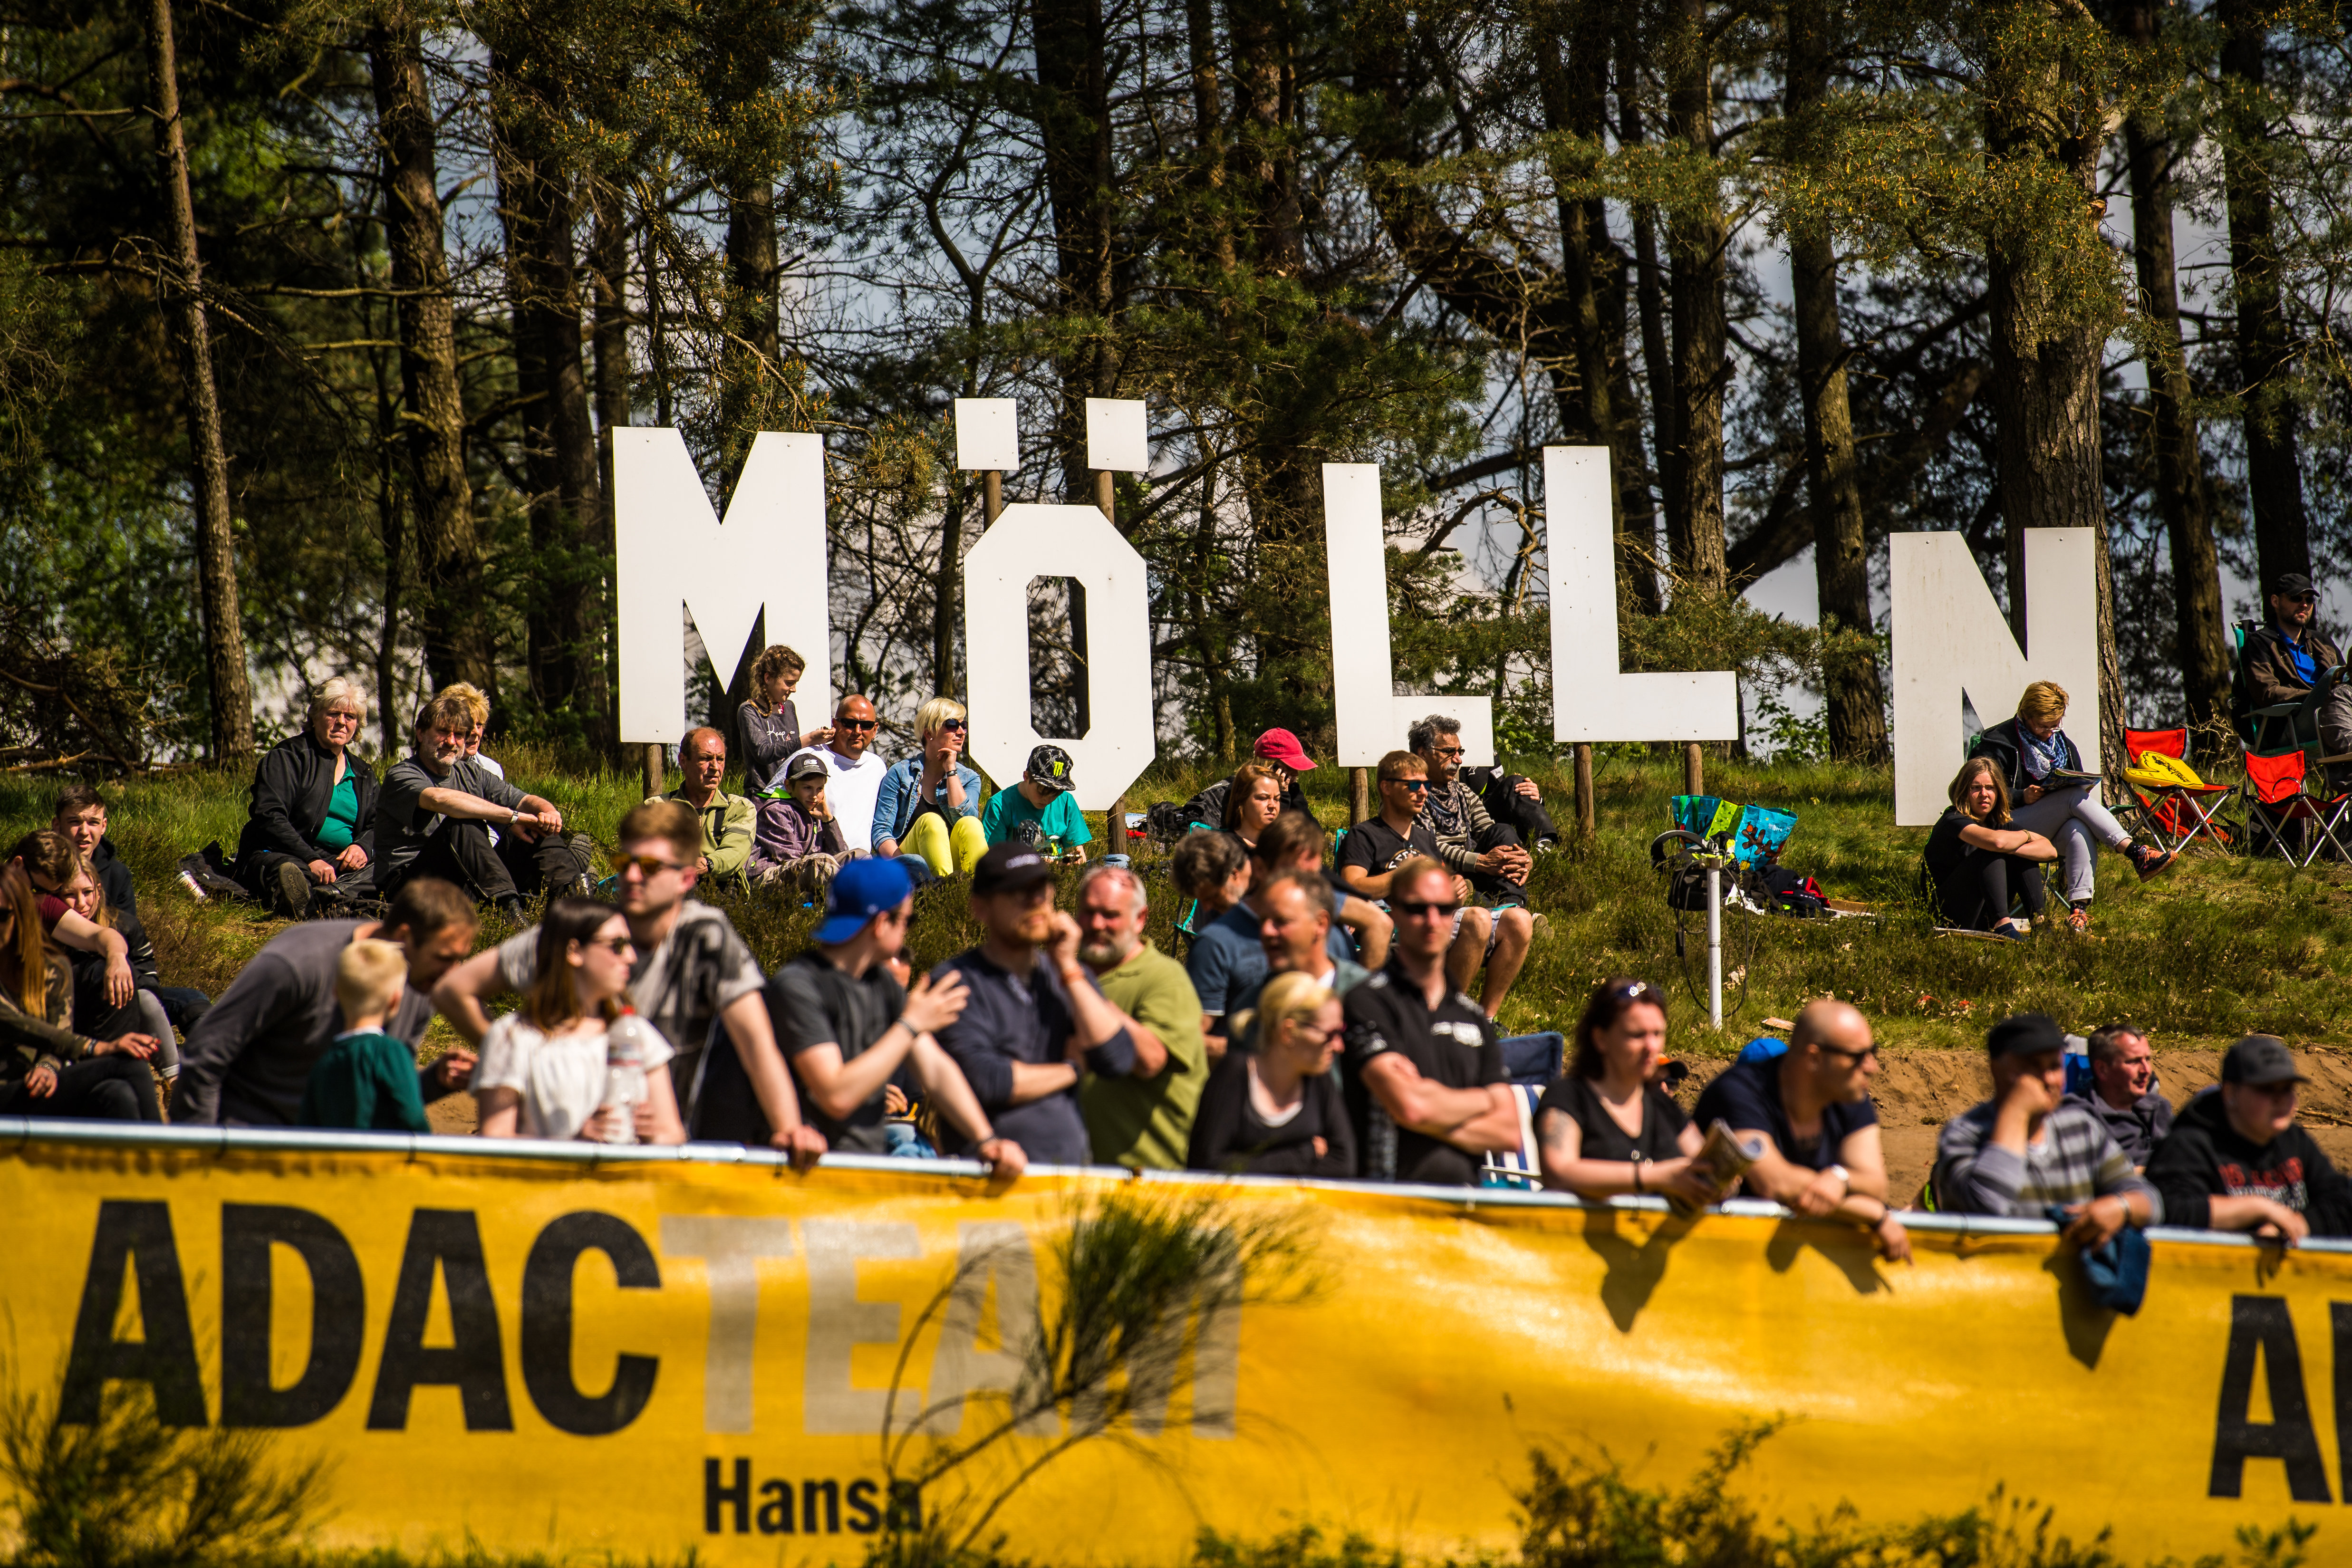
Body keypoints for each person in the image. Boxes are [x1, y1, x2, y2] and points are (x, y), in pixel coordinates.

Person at [433, 801, 828, 1163]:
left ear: (686, 878)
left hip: (664, 1149)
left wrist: (789, 1129)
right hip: (556, 1147)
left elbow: (757, 1041)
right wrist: (515, 1063)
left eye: (651, 866)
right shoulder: (583, 930)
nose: (633, 876)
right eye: (625, 862)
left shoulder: (705, 935)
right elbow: (454, 990)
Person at [762, 857, 1024, 1170]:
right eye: (907, 921)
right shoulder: (798, 986)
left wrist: (987, 1141)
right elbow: (836, 1096)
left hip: (868, 1168)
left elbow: (935, 1069)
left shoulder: (880, 983)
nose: (908, 932)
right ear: (881, 924)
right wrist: (910, 1025)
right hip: (808, 1173)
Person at [173, 878, 480, 1126]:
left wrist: (437, 1081)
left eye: (460, 960)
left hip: (331, 1155)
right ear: (404, 937)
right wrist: (201, 1154)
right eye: (445, 957)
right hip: (254, 1141)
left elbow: (381, 1097)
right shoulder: (298, 963)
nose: (453, 973)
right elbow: (206, 1054)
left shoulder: (420, 984)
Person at [929, 843, 1142, 1166]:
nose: (1036, 901)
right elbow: (988, 1081)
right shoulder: (955, 982)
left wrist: (1068, 967)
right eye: (1018, 892)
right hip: (990, 1175)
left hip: (1068, 1175)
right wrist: (1073, 1069)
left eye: (1042, 889)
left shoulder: (1068, 975)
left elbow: (1118, 1058)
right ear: (981, 907)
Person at [1341, 857, 1522, 1185]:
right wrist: (1483, 1101)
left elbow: (1508, 1131)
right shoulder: (1366, 1001)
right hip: (1387, 1197)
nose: (1432, 919)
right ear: (1394, 911)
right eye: (1417, 908)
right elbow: (1410, 1108)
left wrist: (1425, 1107)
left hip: (1464, 1201)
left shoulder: (1473, 1016)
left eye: (1444, 908)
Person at [1690, 999, 1910, 1260]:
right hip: (1721, 1259)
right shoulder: (1739, 1092)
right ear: (1814, 1058)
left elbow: (1875, 1186)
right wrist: (1874, 1214)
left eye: (1872, 1052)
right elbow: (1775, 1183)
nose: (1872, 1067)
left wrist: (1840, 1178)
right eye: (1857, 1057)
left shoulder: (1849, 1093)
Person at [1932, 1012, 2158, 1248]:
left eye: (2054, 1066)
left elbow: (2151, 1201)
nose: (2048, 1079)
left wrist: (2122, 1207)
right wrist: (2017, 1113)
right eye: (2033, 1067)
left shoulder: (2081, 1128)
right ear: (1996, 1069)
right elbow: (1987, 1207)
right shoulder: (1963, 1135)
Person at [474, 898, 686, 1144]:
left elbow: (674, 1135)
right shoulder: (512, 1036)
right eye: (617, 946)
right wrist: (573, 1143)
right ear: (574, 952)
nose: (631, 957)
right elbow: (495, 1140)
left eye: (630, 945)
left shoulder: (636, 1032)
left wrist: (654, 1136)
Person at [1338, 750, 1531, 1017]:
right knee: (1477, 919)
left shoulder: (1425, 838)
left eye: (1426, 784)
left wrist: (1454, 888)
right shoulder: (1364, 835)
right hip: (1393, 923)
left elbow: (1442, 887)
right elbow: (1352, 887)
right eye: (1414, 785)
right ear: (1387, 788)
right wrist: (1406, 876)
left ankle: (1486, 1018)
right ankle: (1445, 1015)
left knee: (1520, 920)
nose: (1423, 792)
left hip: (1435, 917)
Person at [1966, 682, 2170, 931]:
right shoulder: (1997, 743)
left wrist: (2084, 789)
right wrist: (2021, 796)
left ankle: (2079, 912)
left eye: (2055, 725)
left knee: (2078, 829)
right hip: (2006, 824)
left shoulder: (2062, 745)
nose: (2049, 733)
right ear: (2025, 715)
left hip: (2046, 829)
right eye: (2043, 726)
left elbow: (2076, 779)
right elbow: (1977, 792)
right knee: (2072, 797)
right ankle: (2135, 852)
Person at [376, 693, 585, 921]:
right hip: (409, 887)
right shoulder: (402, 774)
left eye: (459, 735)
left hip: (466, 878)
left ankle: (574, 905)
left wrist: (548, 812)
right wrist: (512, 818)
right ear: (421, 733)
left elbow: (523, 800)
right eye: (443, 732)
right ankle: (510, 914)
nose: (451, 742)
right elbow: (438, 799)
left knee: (535, 830)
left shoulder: (472, 773)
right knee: (462, 825)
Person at [1536, 978, 1722, 1207]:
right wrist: (1659, 1177)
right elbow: (1559, 1173)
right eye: (1637, 1035)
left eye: (1658, 1034)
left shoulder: (1660, 1103)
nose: (1652, 1047)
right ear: (1600, 1039)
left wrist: (1723, 1179)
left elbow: (1705, 1164)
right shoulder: (1569, 1097)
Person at [2147, 1035, 2352, 1242]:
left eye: (2287, 1089)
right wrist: (2257, 1209)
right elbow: (2166, 1208)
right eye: (2266, 1089)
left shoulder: (2294, 1139)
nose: (2280, 1099)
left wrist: (2298, 1224)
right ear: (2231, 1094)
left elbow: (2342, 1200)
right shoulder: (2189, 1144)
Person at [1072, 861, 1206, 1169]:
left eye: (1111, 915)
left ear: (1140, 919)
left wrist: (1079, 986)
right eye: (1088, 912)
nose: (1097, 924)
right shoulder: (1066, 977)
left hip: (1150, 1178)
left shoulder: (1164, 978)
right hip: (1072, 1175)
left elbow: (1151, 1059)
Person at [0, 863, 160, 1122]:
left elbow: (59, 1031)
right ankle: (165, 1147)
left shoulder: (53, 968)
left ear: (23, 915)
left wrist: (47, 1065)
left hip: (32, 1086)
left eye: (3, 915)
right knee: (129, 1065)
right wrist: (99, 1048)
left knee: (117, 1094)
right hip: (5, 1090)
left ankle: (136, 1150)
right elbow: (17, 1025)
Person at [1190, 815, 1360, 1044]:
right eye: (1293, 874)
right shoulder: (1217, 944)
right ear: (1260, 868)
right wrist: (1257, 1051)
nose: (1268, 932)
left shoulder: (1338, 939)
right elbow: (1192, 1038)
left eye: (1313, 876)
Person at [236, 677, 379, 917]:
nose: (342, 722)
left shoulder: (364, 773)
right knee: (288, 872)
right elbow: (268, 816)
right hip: (283, 854)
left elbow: (379, 823)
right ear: (315, 716)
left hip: (337, 864)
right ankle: (327, 900)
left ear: (358, 724)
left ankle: (328, 895)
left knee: (391, 864)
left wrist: (362, 847)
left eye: (350, 716)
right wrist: (311, 859)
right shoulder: (288, 757)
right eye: (333, 714)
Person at [1187, 973, 1356, 1177]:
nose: (1339, 1046)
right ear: (1288, 1032)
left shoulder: (1320, 1081)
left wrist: (1254, 1164)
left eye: (1341, 1031)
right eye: (1330, 1035)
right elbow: (1207, 1166)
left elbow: (1344, 1165)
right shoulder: (1235, 1074)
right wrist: (1304, 1154)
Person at [54, 853, 183, 1078]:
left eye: (87, 892)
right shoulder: (51, 930)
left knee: (147, 999)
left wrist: (121, 978)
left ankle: (173, 1078)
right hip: (71, 1008)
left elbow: (148, 974)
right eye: (70, 895)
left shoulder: (125, 925)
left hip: (121, 1005)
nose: (81, 903)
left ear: (99, 891)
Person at [1224, 870, 1371, 1055]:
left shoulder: (1366, 997)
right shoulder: (1249, 1009)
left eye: (1281, 921)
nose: (1266, 931)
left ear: (1320, 924)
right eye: (1262, 921)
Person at [298, 938, 430, 1133]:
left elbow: (306, 1125)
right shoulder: (391, 1052)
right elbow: (413, 1116)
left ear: (336, 993)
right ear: (395, 1000)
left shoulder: (324, 1062)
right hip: (381, 1152)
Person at [1922, 757, 2056, 939]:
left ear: (1999, 791)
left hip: (1981, 914)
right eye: (1976, 788)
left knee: (2020, 852)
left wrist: (2015, 848)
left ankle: (2040, 925)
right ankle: (2004, 927)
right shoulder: (1953, 820)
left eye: (1990, 788)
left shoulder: (1997, 823)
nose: (1984, 794)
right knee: (1993, 850)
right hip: (1945, 914)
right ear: (1963, 791)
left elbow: (2050, 851)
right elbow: (1997, 843)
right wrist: (2026, 837)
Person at [1410, 714, 1535, 909]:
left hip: (1472, 867)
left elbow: (1491, 834)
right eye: (1449, 752)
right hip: (1436, 873)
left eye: (1460, 752)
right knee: (1468, 894)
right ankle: (1504, 913)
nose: (1458, 760)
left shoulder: (1463, 792)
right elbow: (1430, 847)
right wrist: (1481, 862)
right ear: (1423, 754)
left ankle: (1513, 907)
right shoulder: (1411, 793)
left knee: (1503, 831)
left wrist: (1521, 858)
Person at [2240, 572, 2352, 771]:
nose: (2304, 605)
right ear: (2275, 601)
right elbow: (2267, 693)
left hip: (2337, 715)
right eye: (2296, 598)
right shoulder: (2259, 643)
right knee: (2334, 680)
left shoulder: (2322, 642)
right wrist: (2316, 696)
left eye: (2309, 600)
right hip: (2288, 725)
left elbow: (2347, 681)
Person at [873, 697, 987, 876]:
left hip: (955, 866)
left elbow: (968, 824)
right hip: (911, 864)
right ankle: (938, 889)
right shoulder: (901, 773)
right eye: (952, 725)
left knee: (971, 824)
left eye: (963, 725)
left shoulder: (969, 778)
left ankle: (977, 889)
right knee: (931, 821)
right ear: (928, 733)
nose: (961, 732)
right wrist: (904, 868)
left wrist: (951, 770)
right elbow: (882, 831)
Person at [786, 694, 889, 856]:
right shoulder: (809, 757)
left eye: (866, 725)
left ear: (875, 730)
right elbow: (770, 802)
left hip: (860, 861)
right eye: (850, 723)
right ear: (835, 724)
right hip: (816, 859)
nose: (858, 731)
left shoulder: (878, 767)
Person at [2068, 1022, 2172, 1169]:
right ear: (2102, 1069)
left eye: (2148, 1059)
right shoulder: (2078, 1117)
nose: (2146, 1070)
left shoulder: (2157, 1107)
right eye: (2134, 1062)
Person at [667, 726, 756, 893]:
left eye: (720, 759)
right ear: (683, 761)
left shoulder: (740, 808)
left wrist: (706, 865)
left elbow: (734, 853)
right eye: (706, 759)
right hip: (672, 890)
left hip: (724, 895)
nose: (715, 767)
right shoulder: (658, 807)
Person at [738, 644, 830, 796]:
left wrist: (817, 739)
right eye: (789, 683)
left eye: (796, 683)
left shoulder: (789, 708)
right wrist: (809, 739)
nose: (794, 689)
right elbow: (763, 753)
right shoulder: (749, 710)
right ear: (768, 678)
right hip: (762, 795)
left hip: (789, 795)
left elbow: (792, 753)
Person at [751, 752, 848, 894]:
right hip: (767, 876)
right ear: (789, 786)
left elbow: (840, 852)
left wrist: (828, 820)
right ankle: (853, 904)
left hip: (803, 868)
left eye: (820, 789)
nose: (814, 796)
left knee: (859, 857)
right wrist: (823, 861)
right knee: (823, 863)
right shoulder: (776, 811)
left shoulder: (813, 810)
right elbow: (790, 858)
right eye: (807, 788)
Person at [1180, 729, 1316, 828]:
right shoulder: (1241, 791)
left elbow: (1315, 833)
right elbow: (1271, 836)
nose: (1296, 773)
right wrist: (1282, 797)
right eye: (1290, 768)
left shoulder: (1288, 788)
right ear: (1272, 767)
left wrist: (1294, 792)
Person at [980, 744, 1092, 862]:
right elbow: (995, 861)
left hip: (1059, 872)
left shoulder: (1067, 802)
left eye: (1056, 794)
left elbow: (1077, 853)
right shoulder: (999, 805)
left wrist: (1073, 862)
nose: (1047, 800)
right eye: (1042, 792)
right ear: (1026, 777)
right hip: (1016, 873)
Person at [52, 783, 135, 916]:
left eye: (93, 822)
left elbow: (129, 926)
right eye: (75, 822)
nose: (84, 831)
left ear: (104, 826)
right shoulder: (38, 869)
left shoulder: (118, 875)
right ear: (57, 825)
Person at [1221, 764, 1286, 851]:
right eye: (1263, 798)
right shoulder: (1222, 849)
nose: (1273, 805)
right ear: (1241, 798)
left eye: (1277, 799)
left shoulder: (1282, 849)